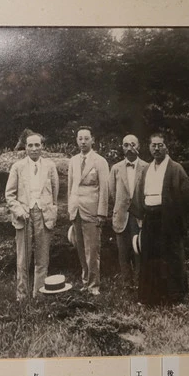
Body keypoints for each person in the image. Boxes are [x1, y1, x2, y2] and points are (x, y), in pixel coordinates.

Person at [132, 133, 189, 305]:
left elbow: (187, 198)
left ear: (166, 147)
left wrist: (178, 218)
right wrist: (141, 216)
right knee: (150, 256)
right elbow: (139, 195)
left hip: (169, 218)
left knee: (171, 256)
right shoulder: (146, 169)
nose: (157, 149)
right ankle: (150, 296)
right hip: (149, 218)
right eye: (153, 145)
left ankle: (175, 296)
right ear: (149, 147)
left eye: (160, 145)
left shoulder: (176, 168)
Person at [5, 132, 59, 300]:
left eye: (37, 145)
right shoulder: (18, 167)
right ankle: (22, 295)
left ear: (42, 146)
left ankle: (40, 294)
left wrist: (50, 208)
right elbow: (9, 195)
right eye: (30, 145)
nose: (34, 148)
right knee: (23, 257)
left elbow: (55, 192)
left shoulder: (50, 166)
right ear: (25, 148)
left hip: (43, 214)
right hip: (24, 215)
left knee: (42, 257)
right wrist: (19, 211)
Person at [67, 126, 109, 295]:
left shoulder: (100, 161)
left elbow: (104, 189)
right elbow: (71, 187)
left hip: (92, 211)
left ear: (93, 140)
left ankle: (93, 286)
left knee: (92, 250)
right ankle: (85, 282)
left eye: (86, 138)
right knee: (80, 248)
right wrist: (70, 208)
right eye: (80, 139)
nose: (83, 142)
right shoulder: (73, 161)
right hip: (76, 210)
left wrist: (102, 213)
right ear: (76, 141)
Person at [108, 134, 149, 286]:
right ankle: (127, 283)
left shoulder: (147, 167)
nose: (129, 148)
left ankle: (140, 282)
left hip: (139, 215)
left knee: (139, 249)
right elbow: (112, 192)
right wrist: (121, 206)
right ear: (122, 148)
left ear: (139, 147)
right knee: (123, 251)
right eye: (126, 145)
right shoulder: (116, 168)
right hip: (121, 215)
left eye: (133, 144)